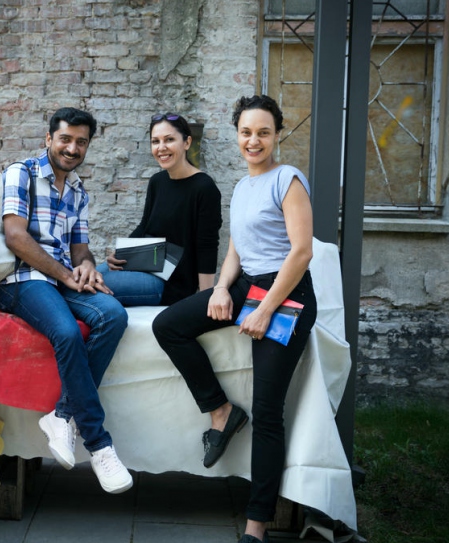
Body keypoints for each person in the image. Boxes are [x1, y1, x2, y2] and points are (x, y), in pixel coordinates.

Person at [151, 95, 317, 543]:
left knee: (267, 411)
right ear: (237, 135)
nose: (254, 140)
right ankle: (220, 409)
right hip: (246, 286)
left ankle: (256, 526)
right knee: (168, 326)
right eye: (246, 132)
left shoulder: (289, 180)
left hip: (286, 296)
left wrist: (264, 310)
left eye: (263, 132)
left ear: (277, 135)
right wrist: (222, 288)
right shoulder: (243, 187)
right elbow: (238, 250)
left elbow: (301, 253)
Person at [0, 107, 133, 494]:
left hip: (60, 280)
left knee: (113, 315)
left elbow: (80, 251)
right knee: (68, 333)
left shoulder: (78, 191)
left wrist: (87, 268)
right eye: (65, 139)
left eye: (81, 142)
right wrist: (67, 276)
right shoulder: (20, 173)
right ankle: (99, 444)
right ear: (49, 139)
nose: (72, 148)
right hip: (20, 280)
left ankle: (63, 414)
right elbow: (16, 237)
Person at [98, 112, 222, 306]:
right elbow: (144, 226)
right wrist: (120, 255)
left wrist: (204, 298)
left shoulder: (204, 187)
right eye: (155, 141)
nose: (161, 148)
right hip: (142, 263)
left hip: (170, 282)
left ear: (187, 142)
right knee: (83, 277)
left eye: (169, 139)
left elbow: (206, 246)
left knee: (88, 285)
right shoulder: (158, 181)